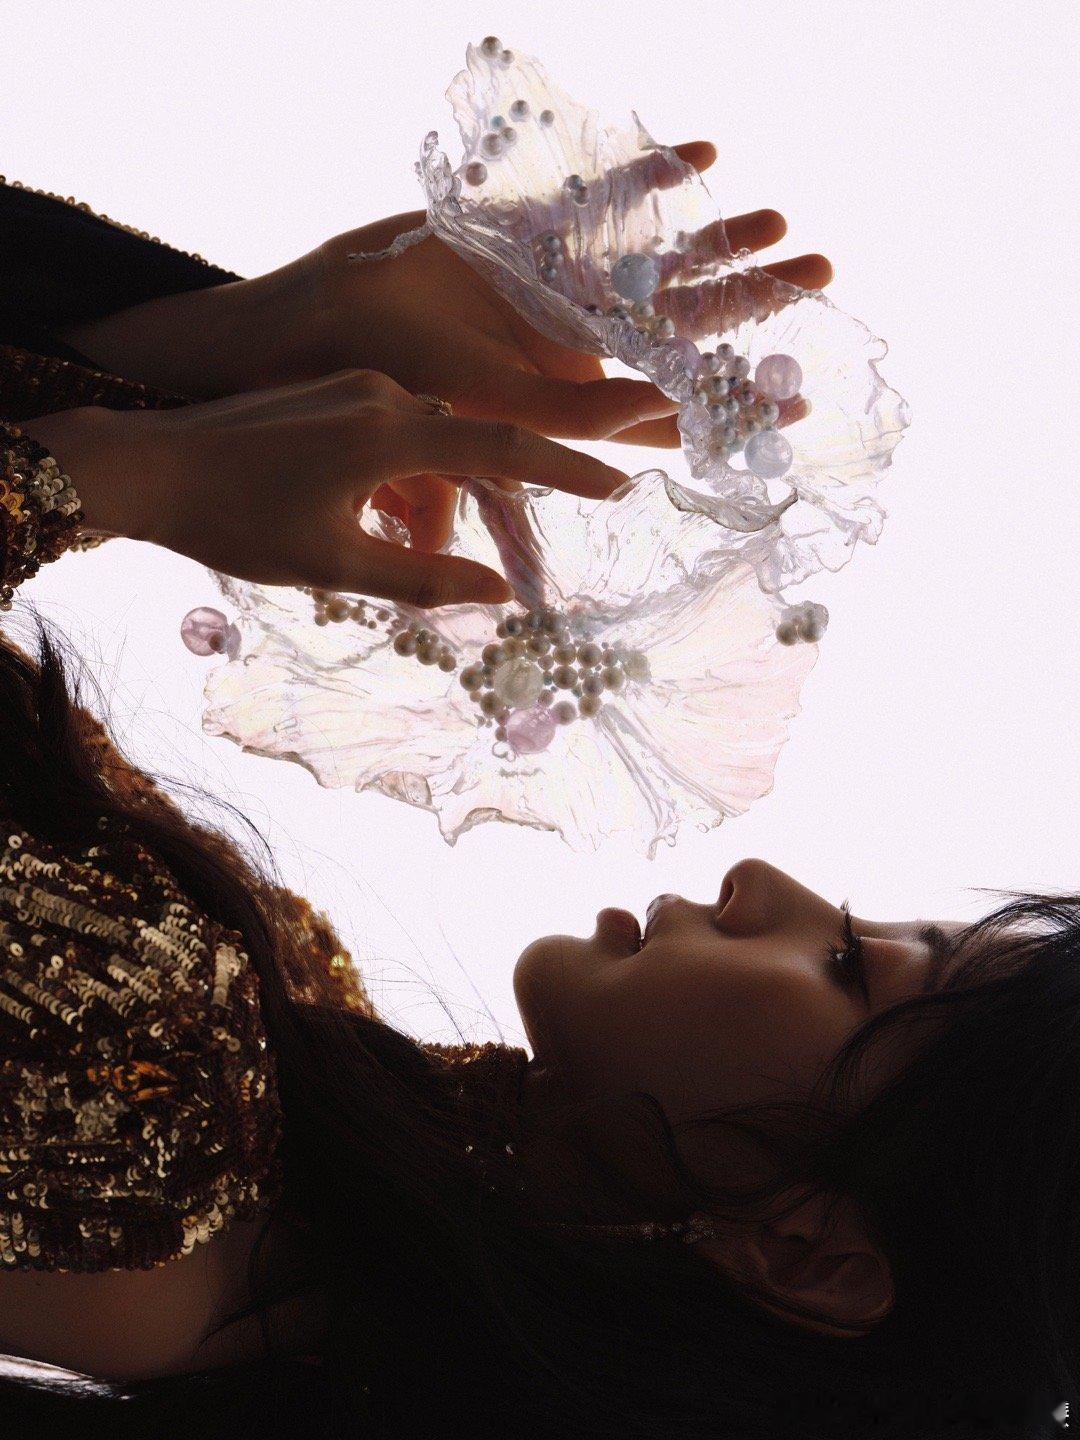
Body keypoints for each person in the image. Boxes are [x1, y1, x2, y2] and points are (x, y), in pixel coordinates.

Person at [0, 157, 1070, 1440]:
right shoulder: (277, 1117)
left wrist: (122, 478)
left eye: (850, 964)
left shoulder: (151, 1147)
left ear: (803, 1256)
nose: (768, 883)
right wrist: (237, 337)